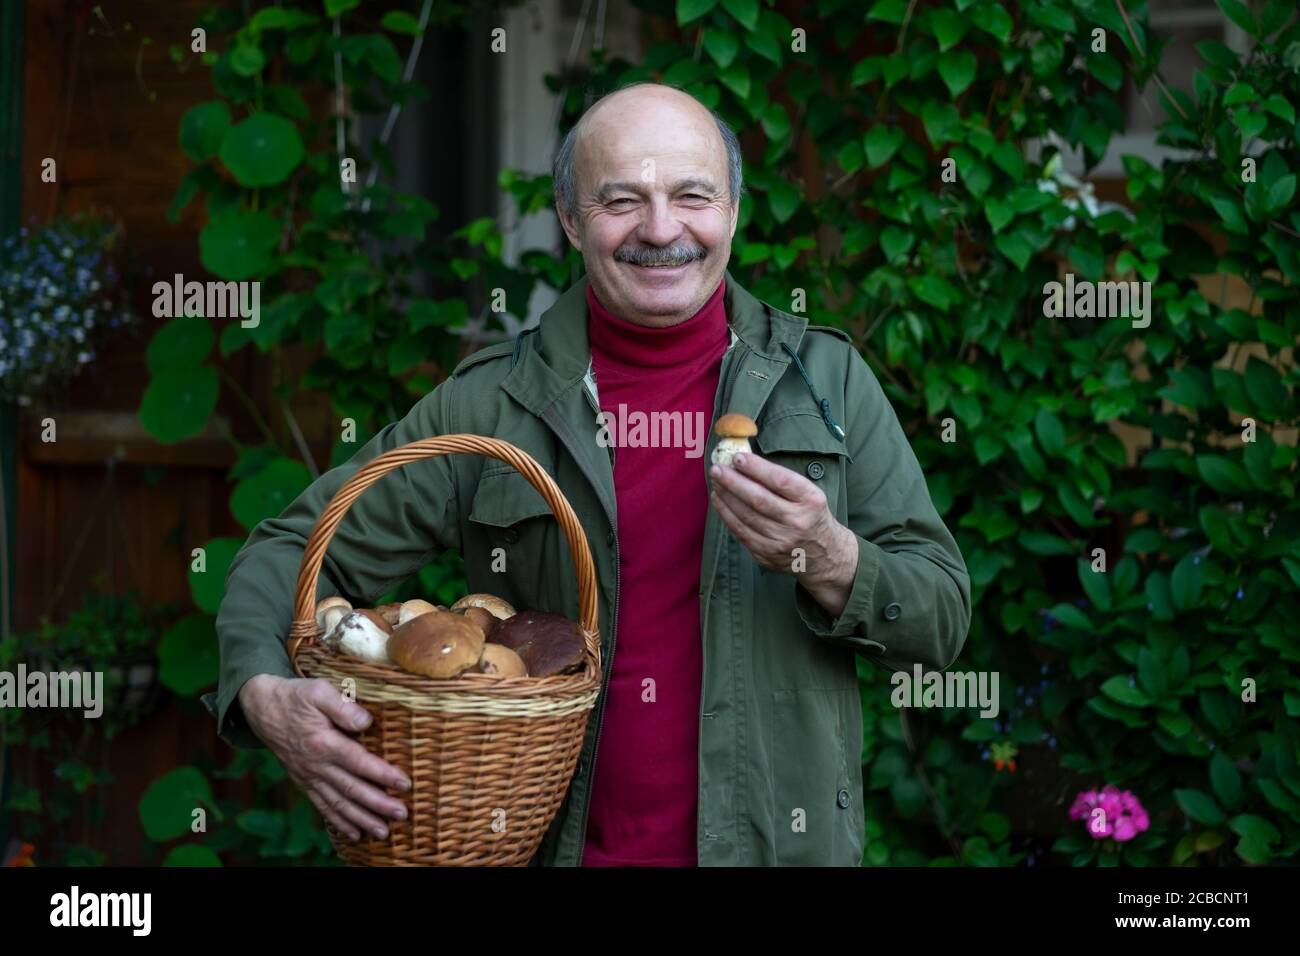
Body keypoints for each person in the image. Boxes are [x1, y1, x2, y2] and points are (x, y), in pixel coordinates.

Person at [205, 82, 970, 866]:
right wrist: (264, 694)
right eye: (621, 201)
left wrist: (831, 556)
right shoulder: (491, 403)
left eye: (692, 196)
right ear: (571, 219)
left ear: (735, 210)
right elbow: (293, 549)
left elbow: (940, 614)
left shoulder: (825, 382)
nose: (662, 229)